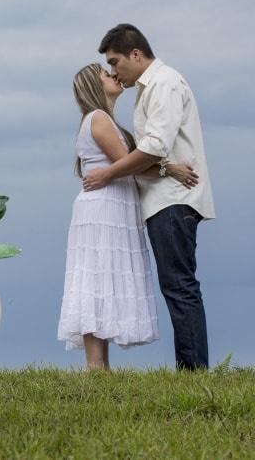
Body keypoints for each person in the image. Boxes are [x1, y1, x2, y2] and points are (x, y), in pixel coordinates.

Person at [83, 24, 216, 370]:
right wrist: (166, 167)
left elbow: (154, 146)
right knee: (176, 285)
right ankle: (191, 368)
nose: (113, 71)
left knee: (179, 286)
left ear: (136, 54)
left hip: (173, 200)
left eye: (116, 61)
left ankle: (193, 371)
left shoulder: (164, 83)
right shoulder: (148, 89)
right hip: (165, 196)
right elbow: (155, 155)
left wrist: (108, 173)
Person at [58, 63, 198, 370]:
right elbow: (127, 163)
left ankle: (99, 366)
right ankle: (96, 365)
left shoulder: (104, 121)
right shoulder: (99, 120)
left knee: (101, 275)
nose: (114, 76)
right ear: (95, 86)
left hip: (110, 204)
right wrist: (169, 168)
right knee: (97, 277)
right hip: (104, 207)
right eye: (106, 75)